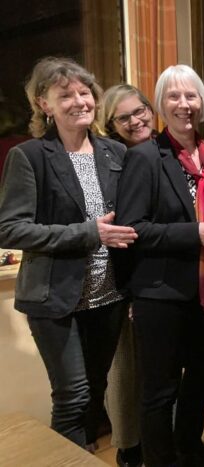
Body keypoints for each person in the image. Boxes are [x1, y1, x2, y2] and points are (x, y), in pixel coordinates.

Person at [0, 57, 137, 449]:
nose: (79, 101)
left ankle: (85, 454)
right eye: (66, 95)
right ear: (44, 104)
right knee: (72, 397)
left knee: (95, 393)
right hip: (54, 299)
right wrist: (88, 233)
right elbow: (10, 228)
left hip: (107, 297)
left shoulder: (115, 152)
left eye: (84, 92)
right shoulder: (29, 157)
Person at [114, 64, 204, 467]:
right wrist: (194, 233)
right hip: (161, 293)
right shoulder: (145, 157)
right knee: (159, 391)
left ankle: (191, 451)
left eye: (191, 96)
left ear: (202, 102)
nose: (184, 104)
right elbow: (134, 229)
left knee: (200, 382)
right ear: (161, 105)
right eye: (174, 97)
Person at [101, 83, 156, 467]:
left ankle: (154, 444)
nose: (136, 120)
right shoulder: (113, 162)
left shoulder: (162, 153)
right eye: (125, 117)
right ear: (111, 125)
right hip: (121, 281)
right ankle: (128, 450)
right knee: (124, 371)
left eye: (140, 111)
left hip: (158, 281)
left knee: (155, 373)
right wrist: (133, 288)